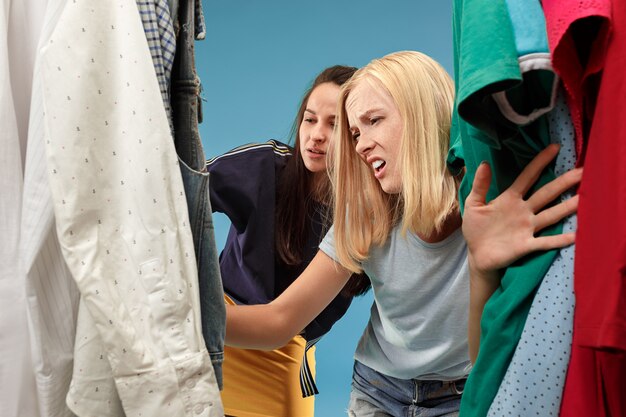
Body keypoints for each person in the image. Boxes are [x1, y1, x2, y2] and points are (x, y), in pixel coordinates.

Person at [225, 51, 581, 416]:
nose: (361, 145)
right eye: (355, 133)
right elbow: (278, 322)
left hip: (459, 396)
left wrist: (481, 264)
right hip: (376, 390)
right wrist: (185, 317)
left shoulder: (485, 201)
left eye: (374, 121)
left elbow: (483, 357)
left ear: (422, 115)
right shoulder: (364, 212)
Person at [206, 65, 370, 417]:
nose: (316, 135)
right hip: (215, 333)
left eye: (334, 125)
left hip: (284, 353)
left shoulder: (365, 215)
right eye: (310, 120)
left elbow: (279, 325)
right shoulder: (266, 166)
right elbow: (180, 192)